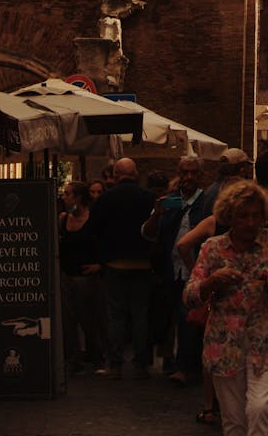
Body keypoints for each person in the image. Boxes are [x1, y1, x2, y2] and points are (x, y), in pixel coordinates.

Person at [184, 179, 268, 436]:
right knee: (234, 422)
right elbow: (190, 295)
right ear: (229, 216)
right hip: (224, 345)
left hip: (267, 343)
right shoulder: (213, 248)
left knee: (260, 410)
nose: (250, 223)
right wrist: (211, 282)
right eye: (242, 216)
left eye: (256, 216)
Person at [141, 154, 208, 386]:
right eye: (184, 173)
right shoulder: (170, 200)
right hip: (172, 270)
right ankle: (183, 363)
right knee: (177, 318)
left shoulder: (207, 202)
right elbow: (148, 233)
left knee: (187, 316)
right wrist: (157, 213)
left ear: (200, 176)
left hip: (196, 269)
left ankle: (186, 366)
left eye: (193, 173)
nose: (188, 177)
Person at [88, 156, 154, 379]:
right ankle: (141, 363)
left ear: (115, 176)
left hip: (115, 263)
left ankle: (114, 363)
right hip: (143, 263)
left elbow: (93, 228)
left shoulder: (106, 199)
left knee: (116, 316)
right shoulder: (148, 198)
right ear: (135, 174)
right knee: (140, 315)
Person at [58, 180, 105, 374]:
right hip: (66, 275)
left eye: (68, 194)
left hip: (87, 278)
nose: (64, 197)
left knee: (89, 318)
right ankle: (73, 358)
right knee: (68, 320)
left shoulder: (93, 219)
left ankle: (97, 357)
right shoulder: (63, 219)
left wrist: (99, 265)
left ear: (78, 197)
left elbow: (105, 242)